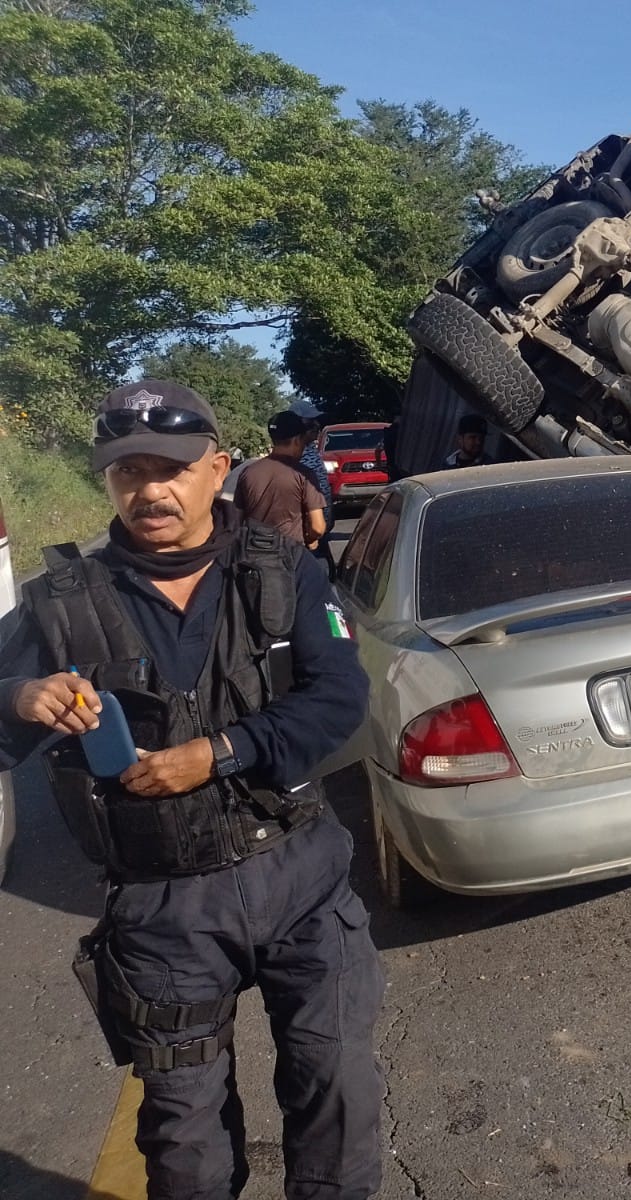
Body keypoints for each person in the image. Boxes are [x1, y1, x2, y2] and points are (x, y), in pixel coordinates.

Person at [0, 380, 384, 1200]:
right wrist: (17, 697)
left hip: (300, 876)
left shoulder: (286, 573)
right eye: (127, 471)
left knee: (338, 1096)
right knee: (183, 1144)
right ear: (105, 483)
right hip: (163, 910)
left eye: (170, 468)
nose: (150, 490)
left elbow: (341, 701)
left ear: (218, 470)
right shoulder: (59, 604)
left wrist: (221, 753)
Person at [232, 410, 328, 549]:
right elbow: (317, 527)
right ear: (296, 440)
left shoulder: (248, 472)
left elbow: (236, 520)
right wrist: (311, 540)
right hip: (290, 555)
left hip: (253, 555)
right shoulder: (303, 474)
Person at [290, 400, 336, 571]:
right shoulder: (296, 456)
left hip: (320, 531)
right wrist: (312, 535)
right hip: (309, 537)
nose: (317, 425)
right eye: (311, 422)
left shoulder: (310, 449)